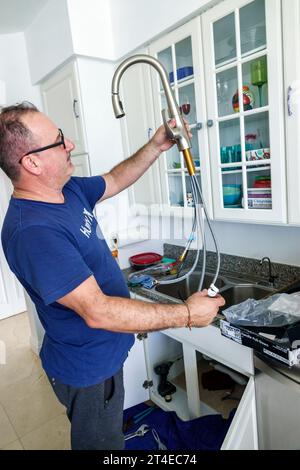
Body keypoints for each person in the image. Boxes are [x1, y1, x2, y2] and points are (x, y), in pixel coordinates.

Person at [0, 102, 225, 450]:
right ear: (32, 162)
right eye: (59, 140)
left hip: (105, 355)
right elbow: (98, 311)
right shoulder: (32, 231)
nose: (70, 143)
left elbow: (116, 178)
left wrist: (156, 145)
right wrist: (188, 315)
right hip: (87, 370)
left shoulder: (67, 190)